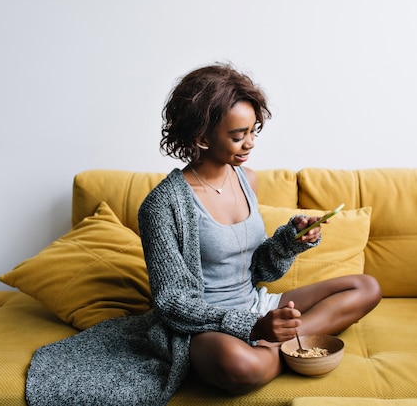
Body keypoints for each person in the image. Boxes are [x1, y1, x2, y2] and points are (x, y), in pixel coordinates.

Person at [137, 62, 382, 395]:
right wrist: (252, 326)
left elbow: (261, 269)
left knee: (366, 287)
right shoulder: (162, 205)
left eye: (254, 131)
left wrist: (291, 240)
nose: (250, 143)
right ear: (201, 137)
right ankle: (291, 348)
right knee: (240, 365)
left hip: (257, 306)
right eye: (238, 136)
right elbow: (172, 303)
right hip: (205, 328)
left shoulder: (246, 179)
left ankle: (280, 346)